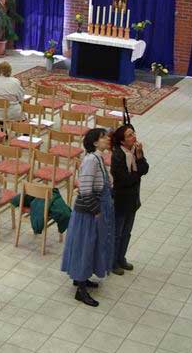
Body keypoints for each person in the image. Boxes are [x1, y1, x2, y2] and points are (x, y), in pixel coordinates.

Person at [61, 128, 115, 307]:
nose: (107, 139)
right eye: (103, 137)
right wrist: (96, 210)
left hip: (95, 210)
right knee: (86, 247)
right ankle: (81, 289)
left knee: (91, 247)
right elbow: (84, 189)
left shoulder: (98, 158)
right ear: (95, 142)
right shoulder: (91, 160)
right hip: (88, 213)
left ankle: (81, 278)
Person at [110, 124, 149, 275]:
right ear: (122, 141)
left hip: (132, 199)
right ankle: (113, 262)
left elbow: (145, 168)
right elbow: (124, 180)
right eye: (129, 135)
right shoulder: (118, 155)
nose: (134, 137)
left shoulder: (134, 151)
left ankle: (121, 258)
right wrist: (137, 174)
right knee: (117, 233)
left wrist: (139, 156)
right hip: (121, 199)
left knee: (127, 232)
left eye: (133, 133)